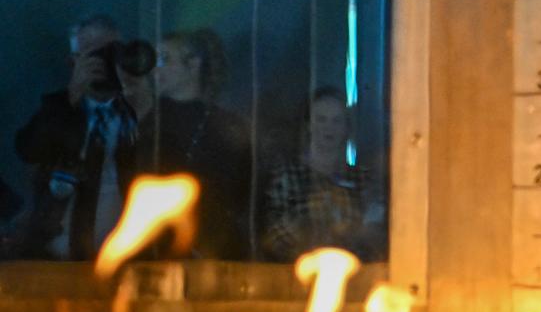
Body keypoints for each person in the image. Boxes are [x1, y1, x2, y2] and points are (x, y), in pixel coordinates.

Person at [14, 14, 153, 259]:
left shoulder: (137, 108)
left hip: (125, 255)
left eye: (112, 53)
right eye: (94, 55)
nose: (105, 63)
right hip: (57, 253)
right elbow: (28, 150)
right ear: (73, 62)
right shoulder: (58, 107)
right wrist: (72, 98)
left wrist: (143, 105)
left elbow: (168, 163)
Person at [136, 28, 252, 259]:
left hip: (212, 251)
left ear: (194, 64)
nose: (157, 69)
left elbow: (239, 194)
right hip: (153, 248)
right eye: (156, 60)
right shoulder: (145, 121)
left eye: (166, 59)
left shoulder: (228, 126)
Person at [261, 86, 366, 262]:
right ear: (309, 124)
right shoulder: (286, 175)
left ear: (347, 127)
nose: (328, 127)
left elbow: (373, 236)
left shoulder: (361, 179)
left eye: (337, 120)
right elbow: (273, 239)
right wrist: (308, 213)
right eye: (321, 119)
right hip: (293, 276)